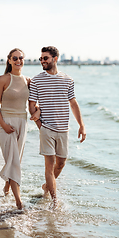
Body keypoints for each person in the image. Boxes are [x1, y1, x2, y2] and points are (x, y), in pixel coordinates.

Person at [29, 46, 86, 208]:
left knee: (61, 163)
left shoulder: (68, 79)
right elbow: (31, 105)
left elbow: (73, 103)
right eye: (41, 58)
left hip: (64, 129)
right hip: (46, 128)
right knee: (49, 163)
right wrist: (40, 125)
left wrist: (81, 125)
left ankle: (47, 187)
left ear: (55, 59)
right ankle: (54, 202)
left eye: (45, 58)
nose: (42, 61)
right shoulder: (37, 80)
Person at [0, 48, 40, 210]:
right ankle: (19, 202)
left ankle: (7, 185)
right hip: (5, 123)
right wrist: (4, 125)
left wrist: (38, 112)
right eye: (15, 58)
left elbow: (34, 104)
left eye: (21, 58)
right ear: (9, 60)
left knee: (15, 161)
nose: (18, 60)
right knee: (14, 162)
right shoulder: (3, 79)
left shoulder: (28, 80)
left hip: (22, 123)